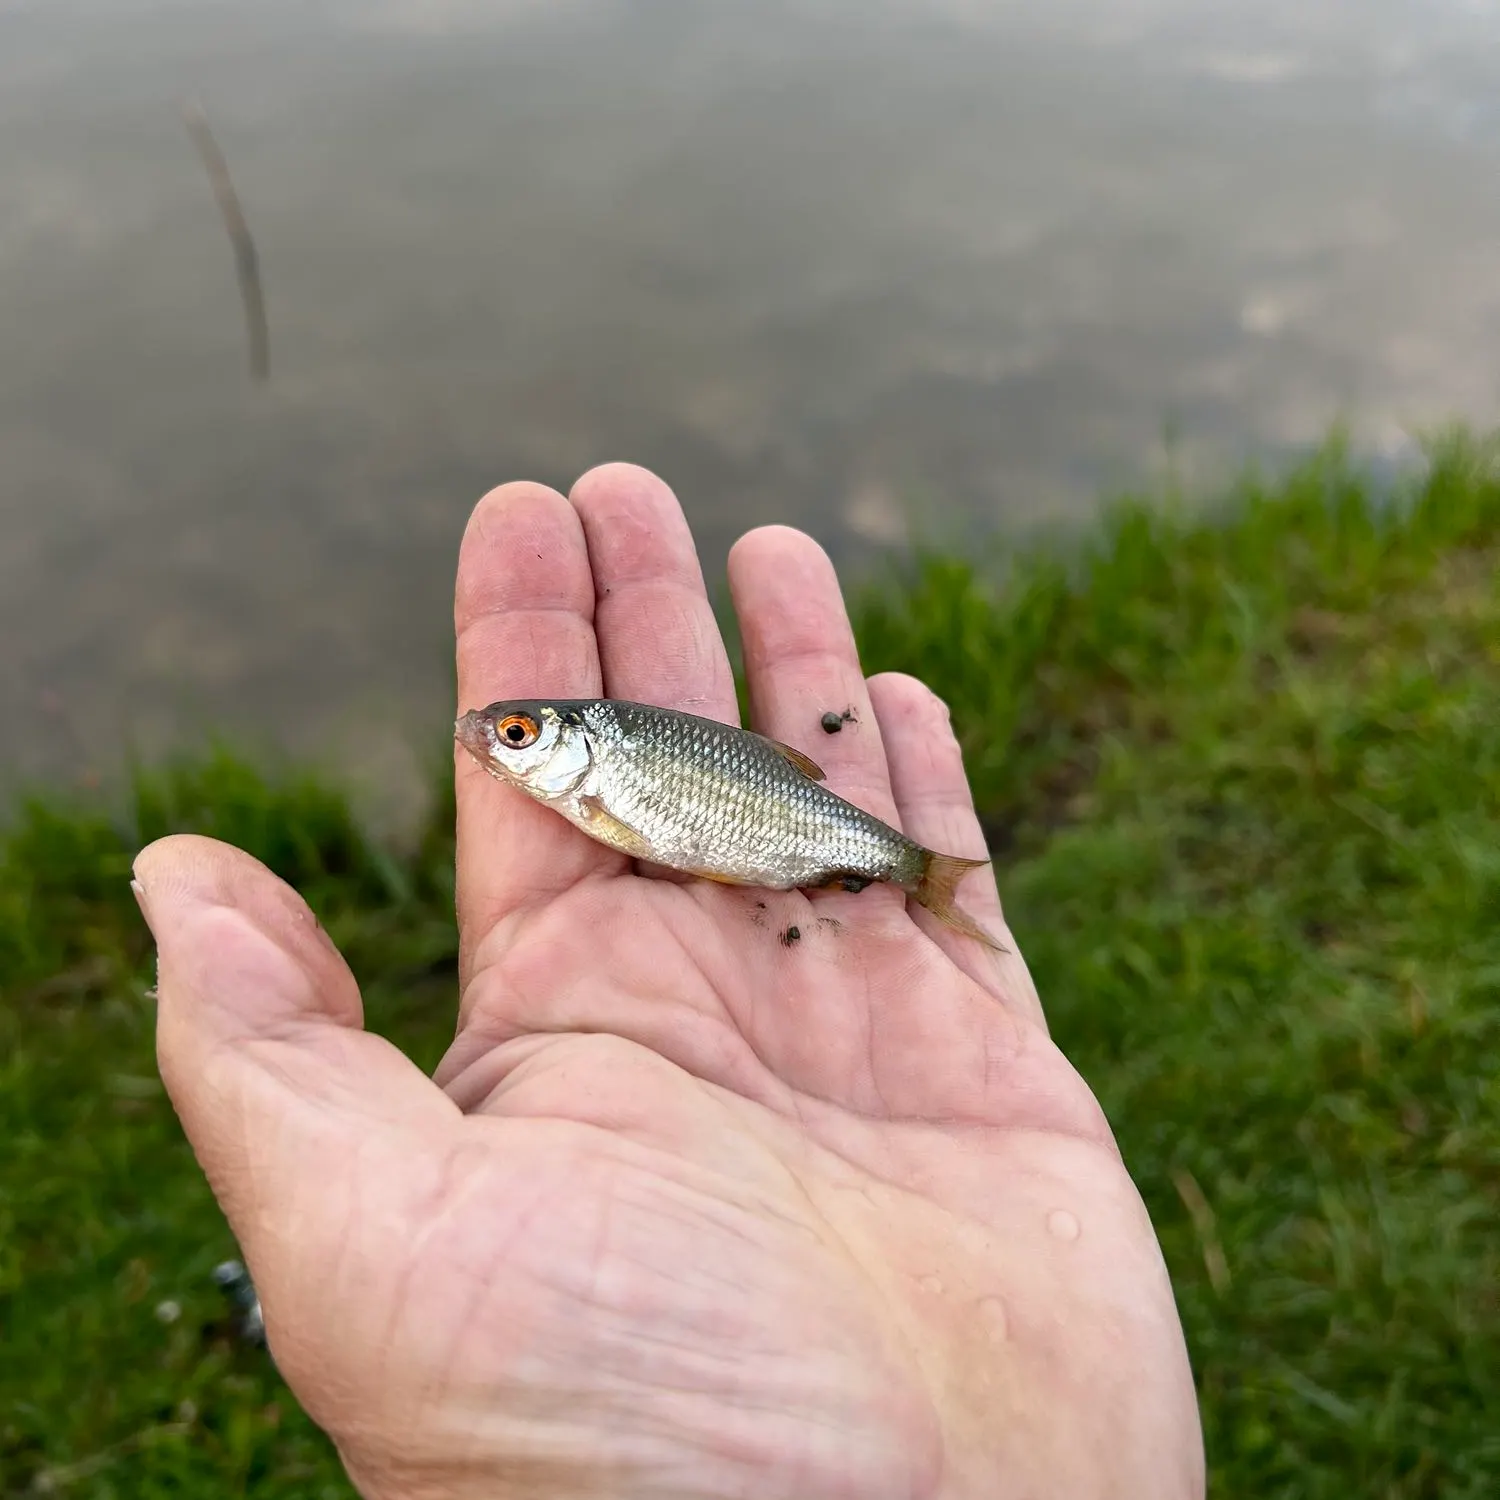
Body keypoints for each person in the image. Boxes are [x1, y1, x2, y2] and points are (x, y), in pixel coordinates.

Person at [133, 465, 1206, 1499]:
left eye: (518, 737)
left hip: (776, 837)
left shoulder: (608, 780)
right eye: (511, 735)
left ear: (565, 749)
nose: (497, 746)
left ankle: (923, 878)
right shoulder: (593, 779)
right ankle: (918, 874)